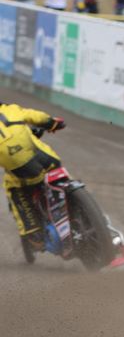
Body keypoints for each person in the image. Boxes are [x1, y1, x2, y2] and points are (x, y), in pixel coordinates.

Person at [0, 102, 68, 249]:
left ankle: (33, 231)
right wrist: (53, 124)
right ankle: (69, 193)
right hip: (48, 161)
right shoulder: (11, 109)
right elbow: (39, 117)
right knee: (55, 164)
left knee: (12, 187)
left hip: (23, 172)